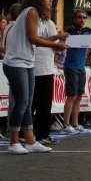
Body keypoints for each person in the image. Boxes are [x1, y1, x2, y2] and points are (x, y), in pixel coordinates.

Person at [2, 0, 68, 154]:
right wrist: (55, 44)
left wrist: (55, 37)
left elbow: (35, 38)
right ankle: (13, 141)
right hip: (16, 62)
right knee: (22, 102)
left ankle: (30, 140)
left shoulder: (36, 15)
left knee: (28, 103)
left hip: (27, 62)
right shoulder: (30, 11)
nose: (50, 0)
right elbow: (33, 39)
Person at [32, 17, 68, 145]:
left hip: (47, 67)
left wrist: (59, 41)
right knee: (31, 104)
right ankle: (25, 133)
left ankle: (42, 134)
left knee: (45, 104)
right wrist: (55, 40)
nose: (50, 1)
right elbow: (34, 40)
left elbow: (56, 47)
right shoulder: (32, 20)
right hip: (34, 66)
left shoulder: (50, 23)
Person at [61, 10, 91, 135]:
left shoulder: (85, 33)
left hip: (81, 66)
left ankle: (75, 124)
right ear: (74, 19)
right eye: (79, 17)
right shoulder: (71, 31)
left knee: (78, 97)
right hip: (71, 66)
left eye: (84, 17)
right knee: (71, 96)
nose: (82, 19)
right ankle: (65, 125)